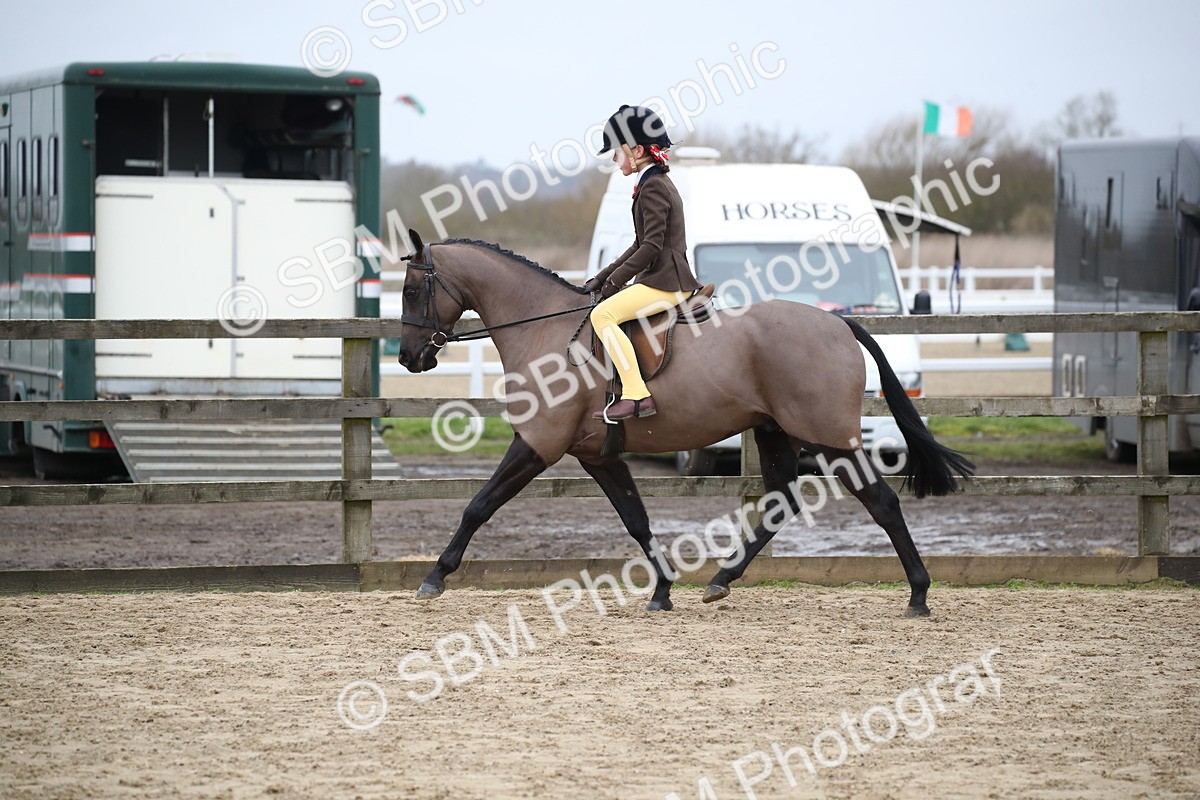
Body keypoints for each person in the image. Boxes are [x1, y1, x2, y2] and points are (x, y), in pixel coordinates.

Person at [583, 104, 703, 422]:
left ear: (636, 151)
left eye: (617, 152)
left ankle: (637, 395)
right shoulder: (653, 182)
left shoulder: (653, 187)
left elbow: (651, 247)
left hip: (667, 282)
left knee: (603, 315)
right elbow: (640, 243)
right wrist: (603, 277)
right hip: (664, 278)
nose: (614, 159)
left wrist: (614, 283)